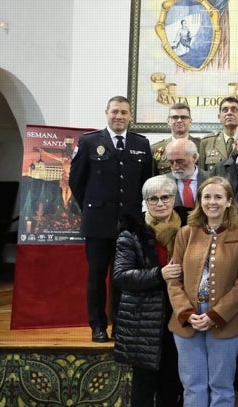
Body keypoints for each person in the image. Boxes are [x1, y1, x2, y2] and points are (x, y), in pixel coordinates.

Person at [166, 176, 238, 407]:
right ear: (199, 201)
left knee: (221, 386)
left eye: (218, 197)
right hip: (187, 321)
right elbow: (173, 278)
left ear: (229, 201)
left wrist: (216, 314)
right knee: (193, 386)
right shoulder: (185, 233)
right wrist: (185, 311)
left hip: (225, 322)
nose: (212, 203)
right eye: (207, 197)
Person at [112, 175, 185, 407]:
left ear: (173, 199)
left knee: (171, 382)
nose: (160, 203)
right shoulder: (131, 234)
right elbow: (121, 276)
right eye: (153, 199)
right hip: (143, 320)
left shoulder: (187, 229)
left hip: (177, 318)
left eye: (165, 197)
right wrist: (158, 274)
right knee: (144, 386)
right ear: (145, 202)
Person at [69, 95, 154, 342]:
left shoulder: (141, 143)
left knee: (124, 277)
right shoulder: (89, 142)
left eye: (124, 112)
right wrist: (93, 207)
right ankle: (97, 325)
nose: (119, 116)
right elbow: (76, 182)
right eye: (115, 111)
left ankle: (120, 324)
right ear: (106, 112)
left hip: (129, 224)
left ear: (130, 115)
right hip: (97, 223)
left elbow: (145, 183)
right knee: (97, 276)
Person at [164, 138, 211, 217]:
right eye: (171, 162)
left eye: (180, 161)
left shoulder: (212, 179)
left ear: (194, 158)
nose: (175, 166)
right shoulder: (162, 183)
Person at [199, 96, 238, 174]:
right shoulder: (207, 142)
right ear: (219, 117)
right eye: (225, 110)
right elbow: (202, 175)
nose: (229, 112)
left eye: (234, 110)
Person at [151, 102, 201, 175]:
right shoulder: (156, 149)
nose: (179, 120)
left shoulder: (201, 145)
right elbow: (153, 177)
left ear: (190, 121)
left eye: (183, 117)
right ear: (168, 121)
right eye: (175, 117)